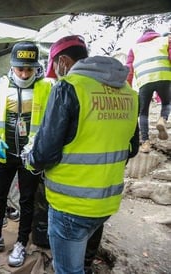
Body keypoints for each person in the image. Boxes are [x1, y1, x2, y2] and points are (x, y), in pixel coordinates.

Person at [28, 35, 139, 273]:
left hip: (70, 205)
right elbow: (133, 147)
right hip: (107, 203)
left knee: (68, 270)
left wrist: (30, 158)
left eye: (55, 67)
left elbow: (45, 153)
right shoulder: (129, 93)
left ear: (63, 62)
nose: (56, 73)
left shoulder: (69, 87)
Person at [0, 41, 53, 267]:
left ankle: (21, 243)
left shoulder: (46, 87)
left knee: (27, 201)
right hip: (4, 153)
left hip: (31, 156)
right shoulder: (1, 84)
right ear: (12, 66)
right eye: (20, 68)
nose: (24, 73)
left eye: (29, 69)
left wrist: (39, 147)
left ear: (35, 67)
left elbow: (52, 122)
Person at [126, 28, 171, 153]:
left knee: (144, 112)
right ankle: (162, 119)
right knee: (167, 102)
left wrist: (128, 86)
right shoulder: (165, 40)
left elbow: (129, 68)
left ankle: (145, 143)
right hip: (163, 76)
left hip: (144, 80)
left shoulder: (135, 48)